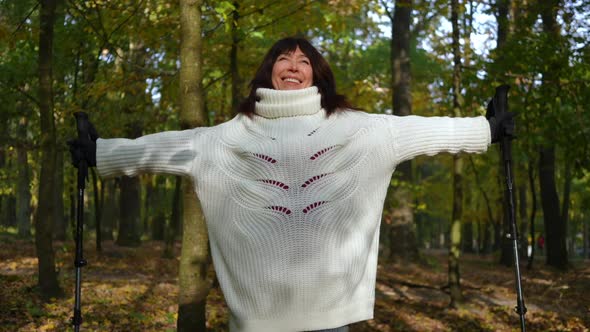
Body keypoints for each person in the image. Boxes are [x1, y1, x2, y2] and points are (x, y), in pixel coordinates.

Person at [69, 37, 514, 332]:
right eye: (284, 58)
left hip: (330, 318)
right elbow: (166, 148)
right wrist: (102, 152)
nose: (294, 66)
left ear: (316, 75)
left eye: (305, 60)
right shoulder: (227, 137)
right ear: (269, 71)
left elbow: (420, 132)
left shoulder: (359, 129)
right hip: (258, 320)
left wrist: (484, 130)